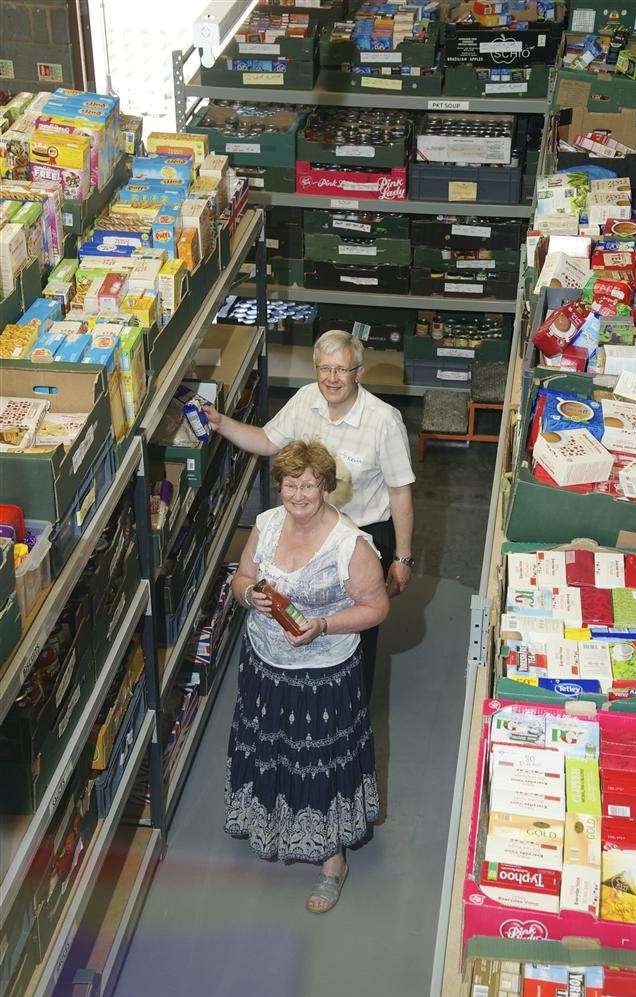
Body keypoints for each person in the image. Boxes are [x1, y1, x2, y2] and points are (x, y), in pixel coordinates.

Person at [204, 329, 415, 697]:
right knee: (300, 615)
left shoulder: (383, 421)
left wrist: (402, 556)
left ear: (358, 373)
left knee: (354, 635)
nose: (332, 379)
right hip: (305, 528)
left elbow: (399, 492)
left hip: (360, 537)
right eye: (324, 369)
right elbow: (268, 441)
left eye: (341, 370)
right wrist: (222, 424)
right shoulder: (305, 400)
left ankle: (349, 704)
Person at [227, 440, 389, 913]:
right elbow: (241, 576)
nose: (298, 495)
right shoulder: (266, 524)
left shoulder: (350, 544)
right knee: (274, 749)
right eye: (290, 484)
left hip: (323, 675)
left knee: (321, 760)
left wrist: (323, 624)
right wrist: (247, 596)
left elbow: (375, 608)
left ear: (326, 487)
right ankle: (277, 825)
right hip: (266, 663)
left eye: (309, 485)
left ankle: (332, 860)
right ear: (279, 486)